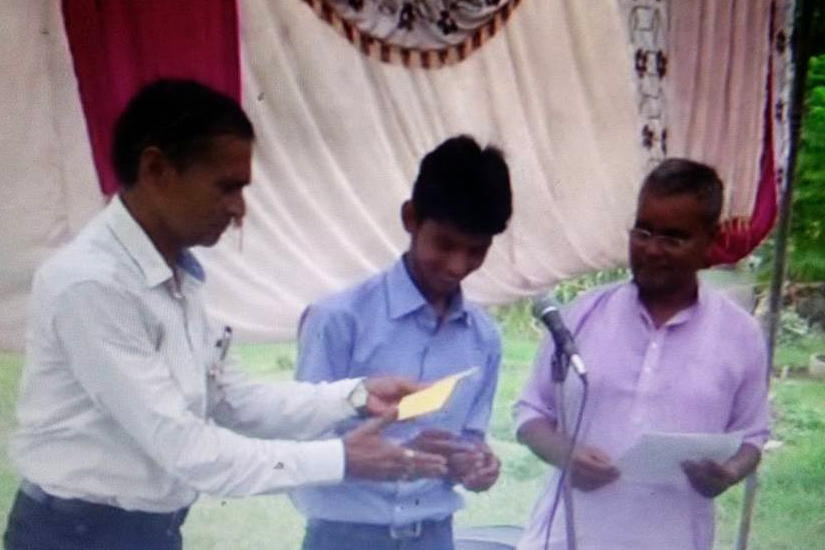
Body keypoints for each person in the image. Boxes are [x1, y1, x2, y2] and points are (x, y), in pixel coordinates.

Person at [3, 78, 448, 550]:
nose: (239, 209)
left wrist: (356, 396)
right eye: (227, 187)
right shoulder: (92, 284)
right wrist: (340, 459)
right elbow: (186, 448)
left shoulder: (175, 276)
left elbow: (235, 401)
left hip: (144, 531)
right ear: (156, 169)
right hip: (77, 536)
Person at [515, 159, 770, 550]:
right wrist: (565, 453)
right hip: (566, 537)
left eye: (673, 238)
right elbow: (531, 412)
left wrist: (729, 473)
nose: (652, 249)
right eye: (643, 231)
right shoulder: (582, 315)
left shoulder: (740, 335)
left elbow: (753, 435)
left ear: (710, 240)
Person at [291, 135, 513, 550]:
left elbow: (471, 437)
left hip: (433, 536)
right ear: (411, 218)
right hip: (344, 538)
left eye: (476, 251)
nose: (457, 266)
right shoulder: (339, 320)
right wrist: (404, 453)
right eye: (445, 244)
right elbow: (301, 447)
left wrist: (474, 464)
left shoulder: (483, 338)